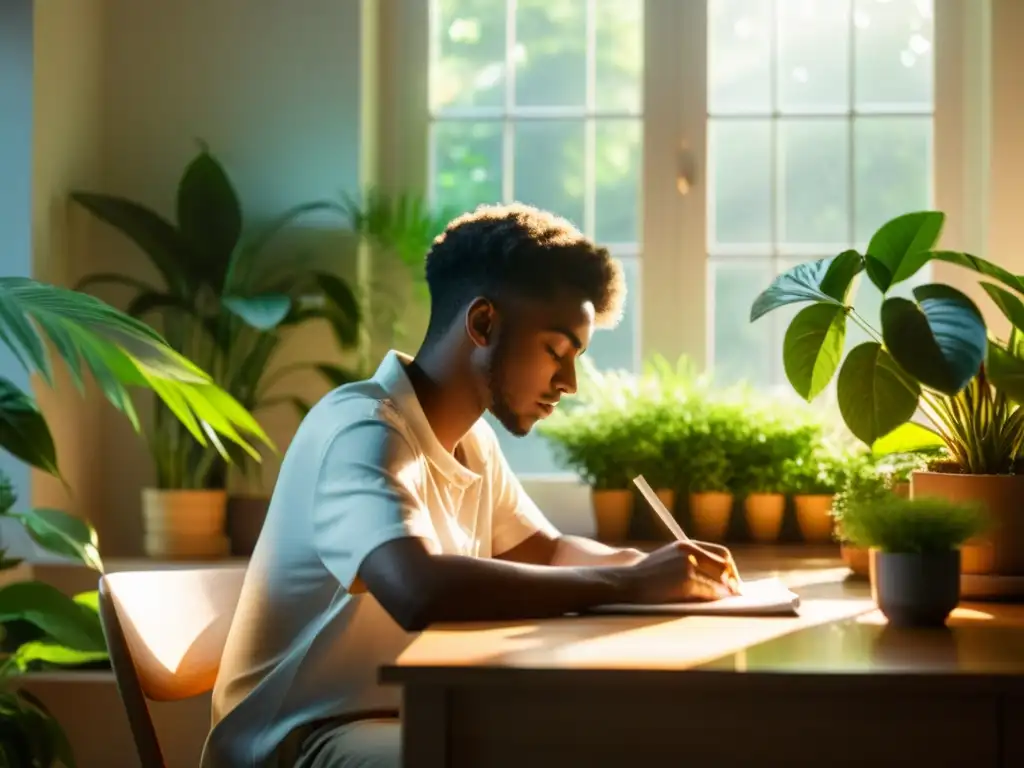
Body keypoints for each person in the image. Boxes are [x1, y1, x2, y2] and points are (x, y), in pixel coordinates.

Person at [201, 203, 738, 768]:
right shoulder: (361, 430)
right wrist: (625, 585)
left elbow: (547, 550)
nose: (570, 382)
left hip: (405, 718)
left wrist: (644, 566)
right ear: (482, 324)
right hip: (298, 742)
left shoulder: (474, 443)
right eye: (556, 351)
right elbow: (417, 588)